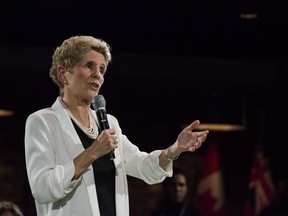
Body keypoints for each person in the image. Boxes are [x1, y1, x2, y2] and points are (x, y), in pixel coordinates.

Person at [24, 35, 209, 216]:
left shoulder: (108, 122)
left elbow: (143, 166)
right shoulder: (43, 122)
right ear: (63, 74)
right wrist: (93, 152)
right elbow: (42, 188)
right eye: (89, 66)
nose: (98, 75)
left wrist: (174, 149)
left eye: (102, 69)